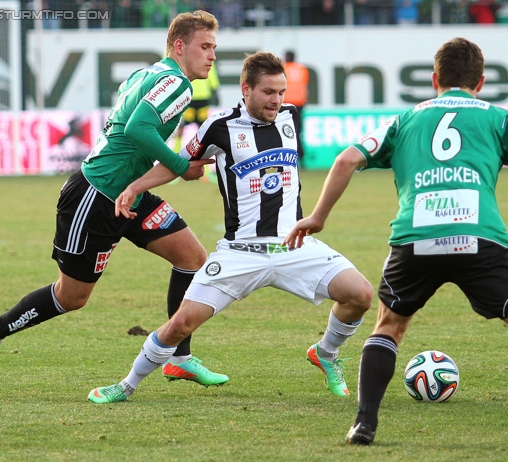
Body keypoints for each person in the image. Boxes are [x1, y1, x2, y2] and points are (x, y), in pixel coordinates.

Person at [284, 37, 508, 445]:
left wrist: (317, 216)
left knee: (388, 328)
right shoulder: (499, 118)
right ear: (482, 81)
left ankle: (364, 423)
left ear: (435, 79)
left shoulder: (404, 120)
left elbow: (347, 158)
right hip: (480, 240)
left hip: (414, 241)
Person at [87, 51, 373, 404]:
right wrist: (135, 187)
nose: (277, 100)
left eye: (281, 92)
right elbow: (179, 164)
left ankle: (325, 353)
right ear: (246, 88)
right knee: (180, 326)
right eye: (268, 92)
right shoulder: (219, 126)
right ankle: (127, 385)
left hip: (292, 246)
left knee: (360, 295)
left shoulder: (290, 117)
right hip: (240, 252)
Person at [0, 11, 228, 388]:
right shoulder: (176, 83)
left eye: (214, 48)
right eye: (205, 46)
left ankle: (179, 356)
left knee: (191, 257)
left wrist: (145, 181)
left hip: (129, 193)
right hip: (94, 196)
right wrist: (180, 164)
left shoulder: (149, 74)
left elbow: (129, 130)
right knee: (72, 297)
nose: (212, 56)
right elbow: (137, 127)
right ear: (179, 45)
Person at [283, 51, 309, 165]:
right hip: (299, 103)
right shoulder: (302, 69)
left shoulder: (282, 69)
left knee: (285, 131)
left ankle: (287, 158)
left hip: (286, 104)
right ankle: (301, 159)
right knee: (297, 132)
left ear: (286, 57)